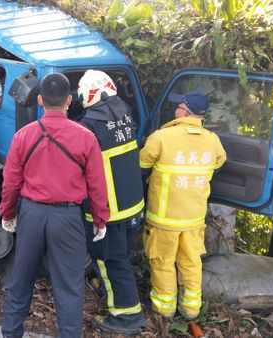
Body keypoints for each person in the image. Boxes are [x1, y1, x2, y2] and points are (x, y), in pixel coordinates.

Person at [0, 73, 110, 338]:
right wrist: (100, 218)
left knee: (21, 280)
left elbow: (11, 181)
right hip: (68, 217)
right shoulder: (85, 137)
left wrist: (8, 212)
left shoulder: (24, 135)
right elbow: (97, 184)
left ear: (39, 100)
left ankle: (11, 333)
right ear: (69, 101)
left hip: (31, 215)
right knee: (69, 287)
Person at [139, 91, 226, 321]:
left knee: (162, 261)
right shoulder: (212, 140)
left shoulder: (162, 137)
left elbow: (142, 161)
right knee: (190, 262)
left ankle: (164, 309)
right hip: (193, 219)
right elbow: (220, 161)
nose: (175, 109)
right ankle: (191, 309)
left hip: (164, 217)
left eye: (178, 105)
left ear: (184, 111)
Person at [76, 70, 145, 335]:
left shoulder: (88, 127)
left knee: (111, 261)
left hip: (108, 212)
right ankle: (114, 293)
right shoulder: (125, 111)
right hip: (132, 207)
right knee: (119, 257)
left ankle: (127, 317)